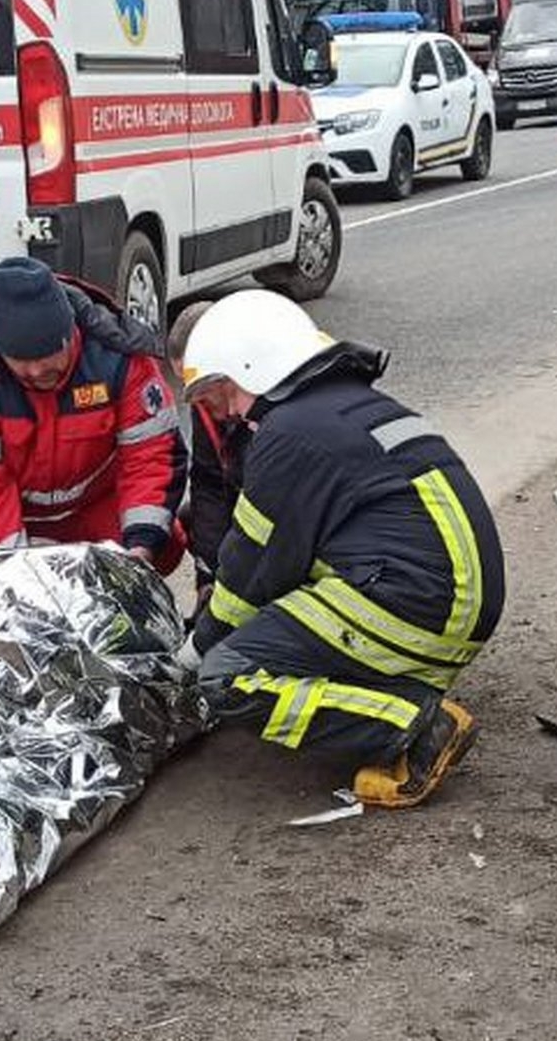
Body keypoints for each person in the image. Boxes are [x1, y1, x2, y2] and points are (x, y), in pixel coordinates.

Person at [180, 290, 506, 808]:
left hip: (419, 603)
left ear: (251, 369)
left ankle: (415, 726)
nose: (228, 412)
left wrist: (195, 651)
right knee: (276, 620)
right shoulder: (344, 405)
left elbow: (248, 574)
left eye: (225, 393)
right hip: (454, 596)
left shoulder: (286, 435)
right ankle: (397, 693)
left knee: (227, 677)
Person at [0, 258, 187, 569]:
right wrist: (18, 574)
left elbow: (150, 456)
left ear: (72, 334)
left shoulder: (118, 358)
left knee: (165, 539)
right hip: (15, 513)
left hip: (91, 506)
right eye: (21, 361)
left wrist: (140, 549)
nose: (36, 370)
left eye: (47, 357)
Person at [169, 300, 249, 620]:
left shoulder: (267, 405)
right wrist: (208, 580)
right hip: (240, 502)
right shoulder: (206, 402)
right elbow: (207, 483)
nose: (196, 400)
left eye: (201, 388)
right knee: (191, 519)